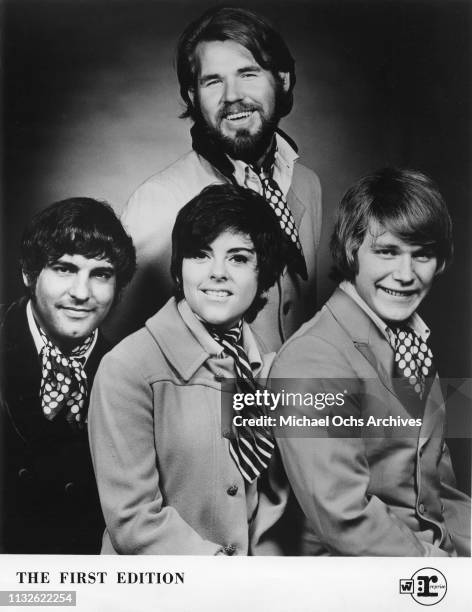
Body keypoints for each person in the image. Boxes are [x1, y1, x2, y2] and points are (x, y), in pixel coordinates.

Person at [269, 168, 471, 556]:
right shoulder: (313, 359)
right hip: (360, 579)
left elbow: (438, 491)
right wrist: (446, 572)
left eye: (422, 254)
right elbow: (345, 519)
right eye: (387, 251)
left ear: (440, 262)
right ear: (351, 250)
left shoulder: (414, 341)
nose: (405, 274)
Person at [88, 184, 291, 555]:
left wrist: (263, 577)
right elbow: (134, 521)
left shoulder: (270, 366)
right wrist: (225, 578)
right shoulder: (126, 368)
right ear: (179, 271)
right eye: (200, 255)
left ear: (264, 274)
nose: (217, 273)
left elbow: (274, 499)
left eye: (239, 258)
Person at [115, 6, 322, 351]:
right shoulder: (158, 202)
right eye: (213, 81)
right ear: (193, 96)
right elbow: (119, 350)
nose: (232, 96)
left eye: (248, 74)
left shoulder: (307, 185)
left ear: (282, 79)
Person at [0, 198, 136, 553]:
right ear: (29, 274)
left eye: (100, 274)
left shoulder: (130, 372)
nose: (81, 293)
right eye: (63, 269)